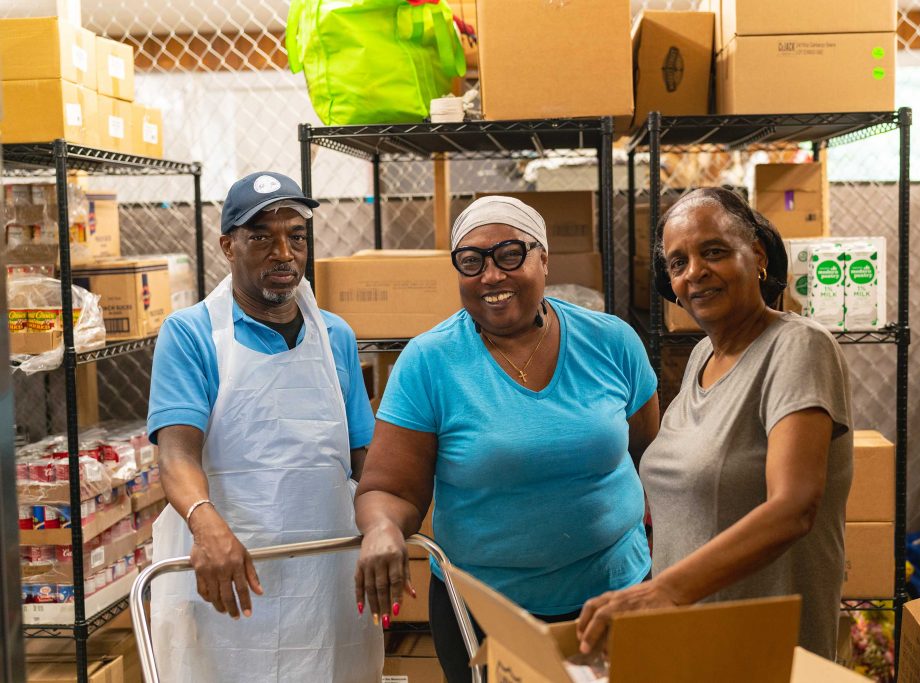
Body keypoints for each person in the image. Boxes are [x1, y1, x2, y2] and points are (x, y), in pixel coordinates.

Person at [353, 196, 660, 683]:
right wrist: (383, 529)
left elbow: (650, 457)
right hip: (484, 612)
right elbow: (388, 489)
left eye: (510, 254)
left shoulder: (612, 342)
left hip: (616, 598)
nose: (491, 276)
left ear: (544, 258)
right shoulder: (429, 362)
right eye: (471, 262)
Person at [576, 187, 853, 660]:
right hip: (691, 640)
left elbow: (794, 507)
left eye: (714, 252)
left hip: (763, 648)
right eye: (678, 263)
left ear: (758, 255)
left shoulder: (799, 347)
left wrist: (663, 591)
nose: (694, 273)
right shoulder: (703, 354)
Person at [146, 171, 383, 682]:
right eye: (261, 237)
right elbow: (176, 454)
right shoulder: (192, 335)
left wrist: (385, 523)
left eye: (296, 236)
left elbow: (363, 455)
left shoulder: (334, 336)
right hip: (228, 574)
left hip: (325, 575)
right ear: (229, 247)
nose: (284, 253)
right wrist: (206, 526)